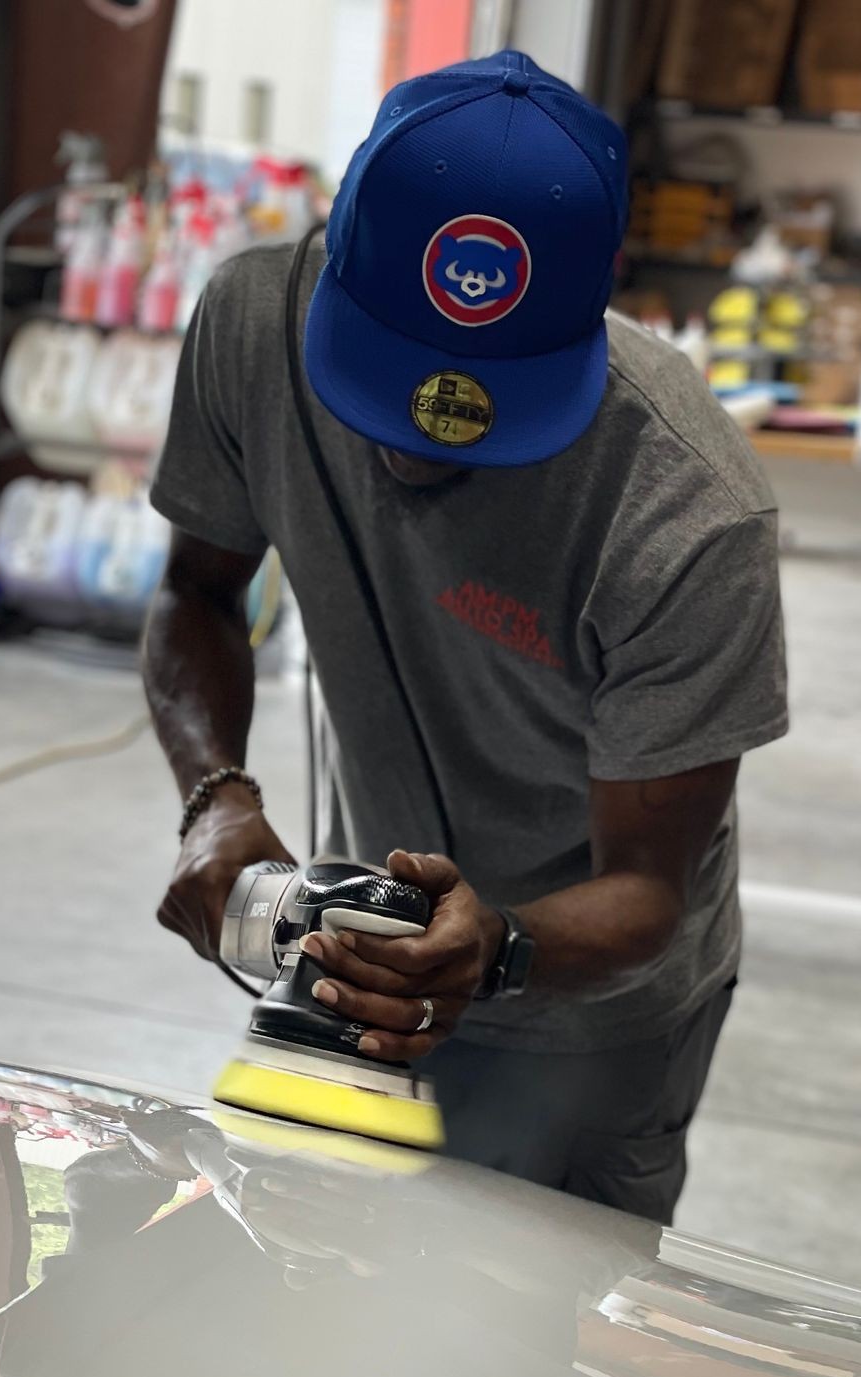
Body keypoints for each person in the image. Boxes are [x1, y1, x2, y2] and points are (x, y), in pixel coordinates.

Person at [143, 52, 788, 1225]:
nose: (414, 452)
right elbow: (196, 590)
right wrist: (216, 794)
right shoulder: (249, 328)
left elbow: (647, 888)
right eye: (386, 385)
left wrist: (495, 952)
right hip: (366, 965)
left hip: (597, 1015)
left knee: (521, 1364)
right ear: (337, 252)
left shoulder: (687, 514)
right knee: (309, 1298)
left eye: (485, 410)